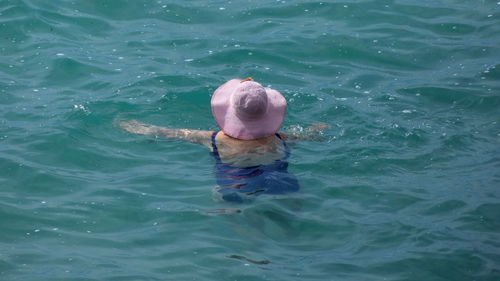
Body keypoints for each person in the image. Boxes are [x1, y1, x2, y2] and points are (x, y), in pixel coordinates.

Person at [119, 78, 328, 202]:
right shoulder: (280, 138)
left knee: (227, 206)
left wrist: (136, 127)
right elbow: (309, 137)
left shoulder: (214, 139)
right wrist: (317, 129)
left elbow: (169, 132)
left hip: (235, 186)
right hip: (282, 182)